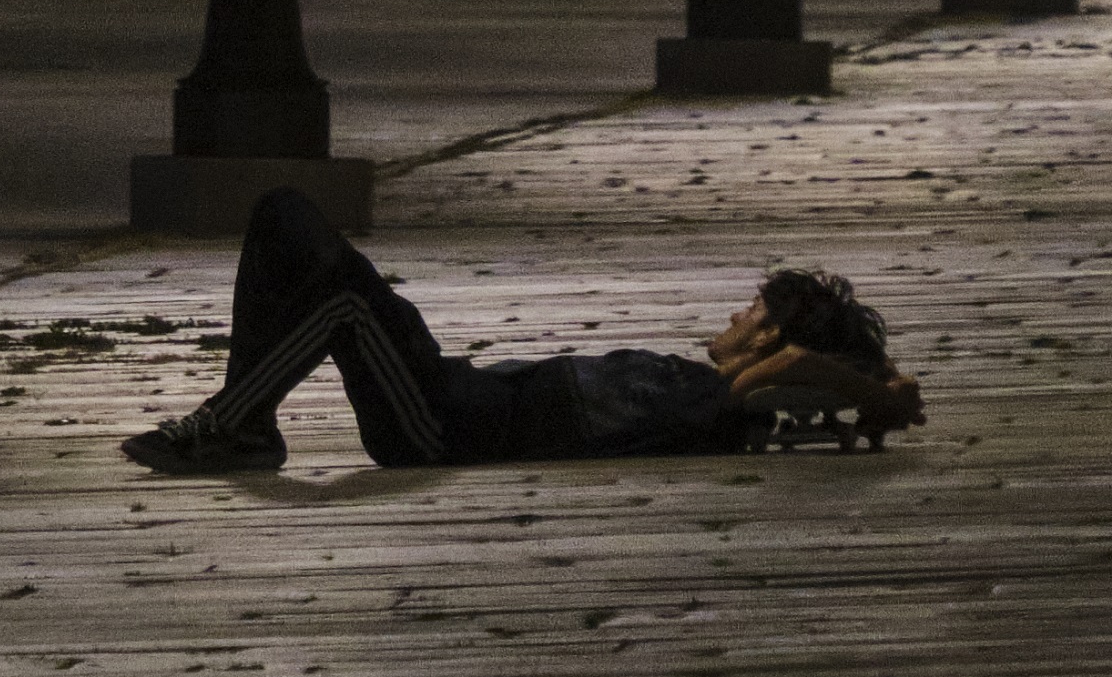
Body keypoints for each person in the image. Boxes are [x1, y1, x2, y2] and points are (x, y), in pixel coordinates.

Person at [119, 187, 918, 476]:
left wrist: (876, 386)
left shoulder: (724, 400)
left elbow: (803, 369)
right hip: (452, 383)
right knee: (283, 214)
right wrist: (879, 384)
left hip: (439, 426)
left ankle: (234, 422)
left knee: (341, 300)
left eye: (754, 314)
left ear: (773, 343)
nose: (735, 315)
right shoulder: (704, 386)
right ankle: (245, 417)